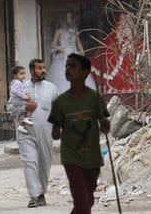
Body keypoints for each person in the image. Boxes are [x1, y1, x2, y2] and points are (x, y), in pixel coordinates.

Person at [48, 53, 110, 214]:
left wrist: (105, 125)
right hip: (71, 156)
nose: (67, 69)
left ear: (85, 72)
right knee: (82, 202)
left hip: (92, 157)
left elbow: (105, 129)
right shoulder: (60, 102)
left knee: (87, 200)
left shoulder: (96, 98)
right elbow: (55, 135)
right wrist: (57, 129)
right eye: (66, 66)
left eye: (73, 65)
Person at [6, 59, 58, 208]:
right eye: (40, 68)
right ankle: (34, 196)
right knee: (30, 162)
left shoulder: (51, 88)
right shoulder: (20, 87)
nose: (43, 71)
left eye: (44, 68)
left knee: (43, 163)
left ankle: (42, 193)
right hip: (25, 133)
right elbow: (10, 107)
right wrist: (24, 107)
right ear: (31, 71)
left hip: (45, 133)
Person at [46, 11, 96, 94]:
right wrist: (60, 49)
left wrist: (82, 51)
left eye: (70, 17)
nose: (69, 19)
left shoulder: (74, 30)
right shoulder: (59, 31)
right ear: (64, 19)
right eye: (68, 17)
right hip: (64, 55)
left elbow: (78, 41)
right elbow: (53, 43)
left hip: (75, 53)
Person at [8, 65, 34, 134]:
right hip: (17, 100)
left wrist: (27, 93)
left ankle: (22, 125)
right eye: (21, 74)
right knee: (30, 105)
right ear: (15, 75)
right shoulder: (16, 83)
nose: (23, 75)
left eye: (24, 73)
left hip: (19, 100)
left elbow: (24, 89)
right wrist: (25, 97)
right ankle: (26, 119)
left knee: (26, 109)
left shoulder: (20, 82)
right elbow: (17, 92)